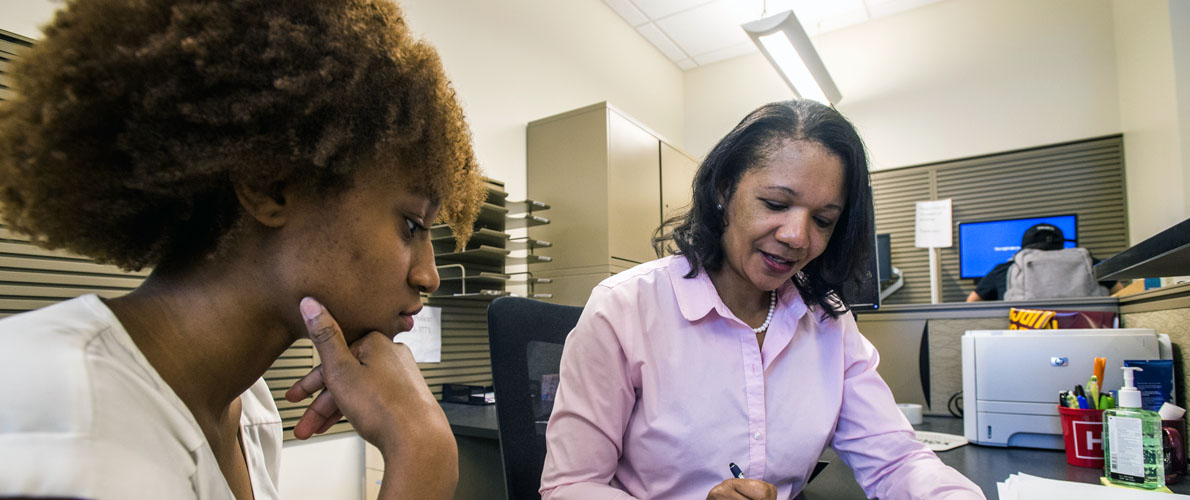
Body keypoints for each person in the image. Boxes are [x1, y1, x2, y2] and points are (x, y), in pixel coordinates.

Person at [0, 0, 486, 498]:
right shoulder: (65, 427)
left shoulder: (248, 407)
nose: (429, 276)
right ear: (270, 186)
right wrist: (423, 459)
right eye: (410, 225)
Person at [539, 100, 984, 500]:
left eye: (824, 220)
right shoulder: (625, 308)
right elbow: (570, 486)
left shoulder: (828, 320)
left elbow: (895, 459)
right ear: (723, 191)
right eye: (774, 204)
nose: (797, 236)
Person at [966, 223, 1121, 302]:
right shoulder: (1088, 262)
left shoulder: (1006, 268)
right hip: (1088, 337)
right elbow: (1119, 291)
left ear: (1024, 247)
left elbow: (973, 302)